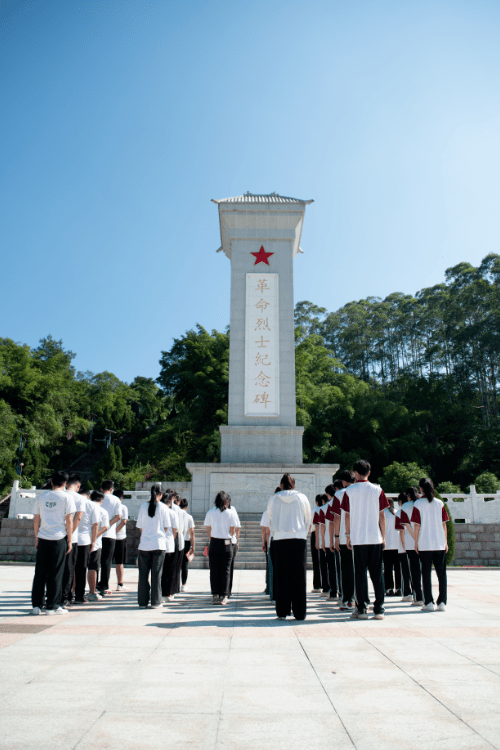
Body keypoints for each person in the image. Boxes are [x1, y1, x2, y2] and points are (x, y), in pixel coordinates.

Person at [341, 459, 389, 620]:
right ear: (369, 472)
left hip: (358, 538)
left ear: (355, 473)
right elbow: (382, 515)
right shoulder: (378, 490)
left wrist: (347, 535)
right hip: (375, 537)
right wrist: (384, 536)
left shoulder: (349, 492)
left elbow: (346, 516)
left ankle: (361, 609)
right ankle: (379, 609)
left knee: (360, 574)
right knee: (377, 574)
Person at [267, 473, 311, 621]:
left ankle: (282, 611)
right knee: (299, 575)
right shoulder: (302, 498)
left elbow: (269, 518)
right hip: (298, 538)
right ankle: (299, 612)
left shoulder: (274, 499)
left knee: (281, 575)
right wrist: (303, 532)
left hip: (279, 538)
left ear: (281, 485)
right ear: (293, 485)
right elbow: (308, 518)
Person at [31, 470, 75, 615]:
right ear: (65, 484)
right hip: (58, 538)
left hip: (43, 537)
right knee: (56, 572)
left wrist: (37, 537)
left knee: (40, 573)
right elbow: (69, 521)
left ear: (51, 482)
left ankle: (36, 606)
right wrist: (70, 540)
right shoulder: (67, 498)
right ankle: (52, 605)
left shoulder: (41, 497)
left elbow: (36, 519)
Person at [412, 478, 449, 612]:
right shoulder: (440, 503)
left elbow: (417, 526)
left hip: (425, 543)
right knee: (442, 574)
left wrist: (416, 543)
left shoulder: (418, 504)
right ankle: (442, 602)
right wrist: (446, 542)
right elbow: (444, 524)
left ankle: (428, 602)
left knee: (426, 574)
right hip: (439, 543)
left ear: (420, 488)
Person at [136, 483, 172, 609]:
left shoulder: (143, 506)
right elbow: (166, 527)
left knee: (143, 575)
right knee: (156, 575)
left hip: (144, 545)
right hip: (158, 545)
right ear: (161, 494)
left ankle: (142, 602)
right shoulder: (163, 508)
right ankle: (156, 602)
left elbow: (140, 527)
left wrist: (147, 535)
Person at [204, 491, 236, 605]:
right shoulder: (230, 513)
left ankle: (215, 595)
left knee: (214, 570)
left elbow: (208, 529)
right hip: (226, 543)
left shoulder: (210, 513)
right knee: (225, 570)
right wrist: (227, 536)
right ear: (226, 502)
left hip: (214, 542)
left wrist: (213, 538)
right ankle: (223, 595)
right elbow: (233, 530)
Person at [331, 471, 356, 611]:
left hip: (344, 536)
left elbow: (337, 517)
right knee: (360, 569)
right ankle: (362, 600)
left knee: (346, 569)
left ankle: (347, 600)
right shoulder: (361, 491)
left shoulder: (339, 495)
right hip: (362, 537)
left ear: (343, 482)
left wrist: (336, 537)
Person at [60, 474, 84, 607]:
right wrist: (69, 534)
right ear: (78, 486)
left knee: (55, 568)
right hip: (72, 538)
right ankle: (65, 596)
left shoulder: (59, 495)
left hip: (55, 536)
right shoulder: (79, 498)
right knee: (69, 569)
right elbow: (78, 518)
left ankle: (53, 595)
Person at [74, 486, 100, 604]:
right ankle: (79, 596)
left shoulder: (72, 500)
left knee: (70, 568)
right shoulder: (92, 505)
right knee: (81, 569)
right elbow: (95, 525)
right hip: (85, 540)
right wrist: (93, 541)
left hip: (72, 538)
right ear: (88, 495)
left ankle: (69, 593)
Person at [400, 486, 424, 606]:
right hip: (424, 541)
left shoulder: (405, 506)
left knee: (414, 571)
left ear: (408, 495)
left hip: (410, 542)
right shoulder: (422, 504)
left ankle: (418, 597)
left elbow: (406, 524)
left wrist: (415, 537)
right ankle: (425, 596)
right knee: (423, 570)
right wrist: (419, 537)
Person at [97, 480, 122, 596]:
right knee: (107, 561)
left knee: (95, 560)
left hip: (96, 533)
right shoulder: (116, 499)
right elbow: (118, 517)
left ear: (101, 488)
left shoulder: (98, 498)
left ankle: (95, 583)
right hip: (110, 534)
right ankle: (104, 585)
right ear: (111, 489)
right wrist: (107, 525)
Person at [87, 491, 109, 601]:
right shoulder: (102, 511)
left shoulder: (86, 507)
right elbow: (105, 527)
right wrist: (94, 537)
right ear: (101, 500)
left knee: (78, 567)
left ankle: (75, 591)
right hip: (95, 543)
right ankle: (92, 592)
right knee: (93, 567)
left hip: (82, 541)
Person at [323, 482, 342, 602]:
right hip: (345, 538)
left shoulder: (329, 505)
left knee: (332, 567)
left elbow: (330, 523)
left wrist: (330, 541)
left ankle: (334, 592)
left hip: (333, 539)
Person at [160, 491, 179, 602]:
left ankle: (157, 592)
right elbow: (175, 529)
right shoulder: (172, 513)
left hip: (158, 544)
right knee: (168, 570)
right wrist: (172, 538)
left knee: (159, 570)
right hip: (168, 543)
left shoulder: (158, 510)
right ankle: (166, 593)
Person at [395, 492, 413, 602]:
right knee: (415, 570)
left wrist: (403, 544)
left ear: (400, 502)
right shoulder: (415, 508)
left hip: (404, 546)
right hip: (415, 544)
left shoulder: (399, 512)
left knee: (405, 571)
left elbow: (401, 531)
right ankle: (416, 592)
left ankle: (407, 593)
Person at [383, 499, 402, 596]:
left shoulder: (383, 514)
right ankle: (399, 588)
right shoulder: (397, 513)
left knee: (388, 568)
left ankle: (389, 588)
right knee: (398, 568)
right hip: (397, 545)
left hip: (386, 546)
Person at [113, 489, 129, 592]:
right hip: (119, 536)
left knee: (106, 562)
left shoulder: (108, 507)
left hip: (107, 536)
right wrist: (115, 532)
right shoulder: (123, 507)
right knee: (120, 562)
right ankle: (120, 584)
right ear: (121, 498)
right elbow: (123, 522)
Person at [317, 493, 331, 598]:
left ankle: (328, 589)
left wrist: (321, 541)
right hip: (341, 540)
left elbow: (322, 527)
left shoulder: (323, 509)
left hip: (327, 541)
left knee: (327, 566)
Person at [227, 498, 241, 598]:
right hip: (226, 541)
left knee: (229, 567)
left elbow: (237, 528)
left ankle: (228, 590)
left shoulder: (232, 511)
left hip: (231, 542)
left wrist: (237, 541)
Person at [180, 498, 195, 592]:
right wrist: (193, 546)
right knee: (184, 564)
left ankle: (174, 583)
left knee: (176, 563)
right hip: (186, 541)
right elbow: (192, 532)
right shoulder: (189, 517)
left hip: (177, 541)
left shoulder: (175, 514)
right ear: (186, 507)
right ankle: (184, 584)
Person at [310, 495, 323, 593]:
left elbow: (309, 524)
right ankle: (326, 583)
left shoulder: (313, 510)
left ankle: (317, 585)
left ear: (316, 502)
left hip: (315, 534)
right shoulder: (325, 509)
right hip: (325, 533)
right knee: (324, 560)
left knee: (316, 560)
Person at [260, 507, 270, 595]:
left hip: (270, 542)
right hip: (281, 540)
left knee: (269, 565)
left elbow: (264, 529)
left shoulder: (267, 512)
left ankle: (269, 587)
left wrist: (264, 543)